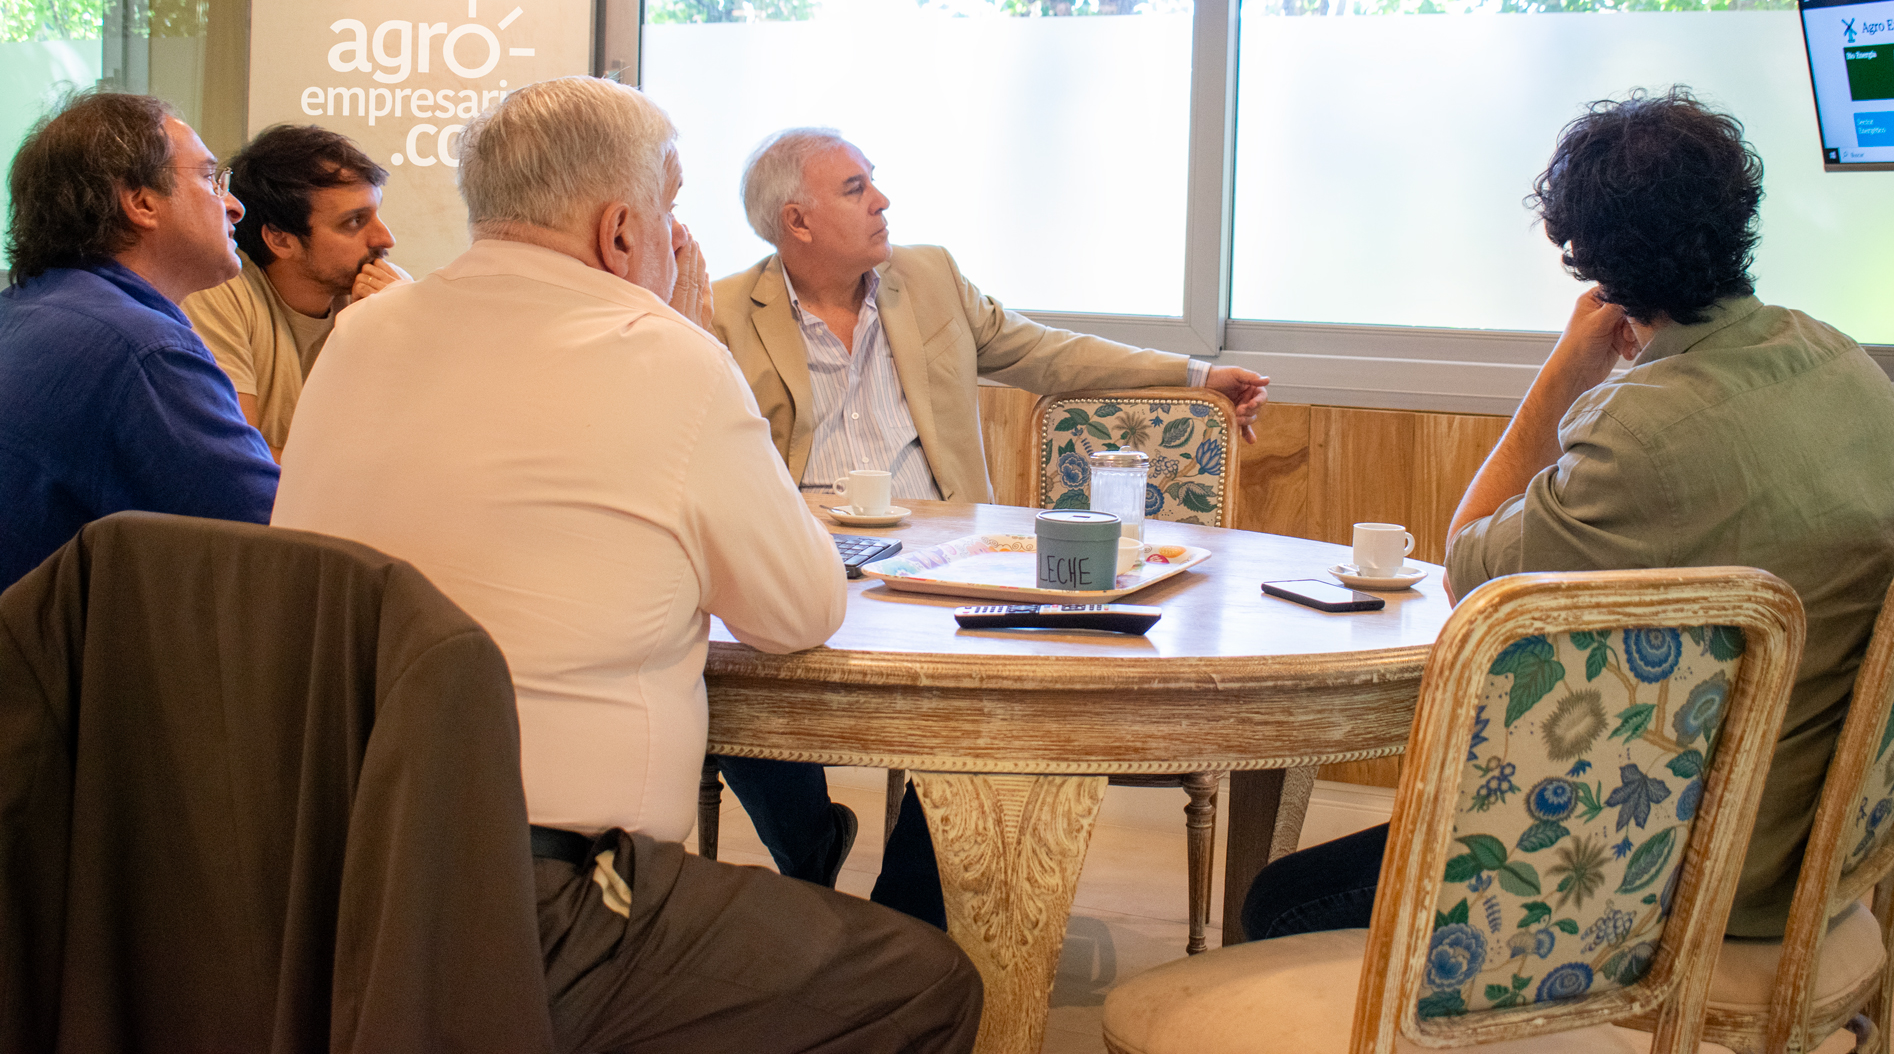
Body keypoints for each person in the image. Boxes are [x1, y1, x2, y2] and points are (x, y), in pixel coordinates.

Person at [271, 77, 981, 1053]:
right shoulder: (666, 354)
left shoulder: (358, 337)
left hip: (329, 879)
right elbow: (801, 609)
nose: (678, 235)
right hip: (546, 902)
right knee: (921, 980)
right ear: (619, 232)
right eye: (672, 206)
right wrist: (687, 342)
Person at [1238, 88, 1894, 942]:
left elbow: (1465, 563)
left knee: (1282, 899)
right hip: (1823, 848)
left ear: (1590, 258)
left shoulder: (1641, 429)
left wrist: (1566, 366)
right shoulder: (1844, 363)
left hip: (1684, 863)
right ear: (1736, 213)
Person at [708, 127, 1272, 924]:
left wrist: (1193, 373)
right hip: (799, 549)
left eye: (875, 182)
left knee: (978, 709)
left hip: (941, 555)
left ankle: (896, 921)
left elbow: (1044, 354)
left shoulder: (927, 276)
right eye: (856, 189)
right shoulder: (724, 309)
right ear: (796, 222)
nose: (882, 201)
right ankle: (807, 847)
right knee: (723, 662)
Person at [0, 92, 279, 590]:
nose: (234, 206)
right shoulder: (143, 351)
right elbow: (277, 539)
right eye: (210, 179)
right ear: (141, 202)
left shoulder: (25, 309)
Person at [182, 124, 408, 459]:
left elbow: (412, 448)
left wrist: (401, 333)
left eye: (376, 213)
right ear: (280, 239)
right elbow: (239, 457)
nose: (384, 239)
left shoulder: (385, 293)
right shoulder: (220, 292)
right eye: (354, 222)